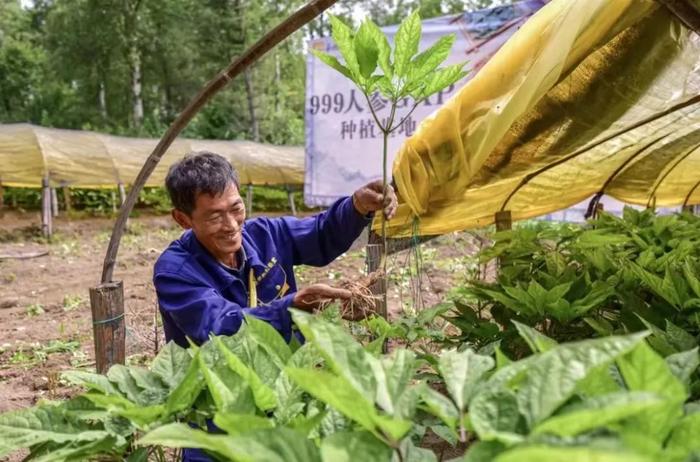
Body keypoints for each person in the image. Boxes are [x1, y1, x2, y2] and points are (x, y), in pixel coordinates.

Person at [154, 151, 397, 348]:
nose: (231, 225)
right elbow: (219, 328)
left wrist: (357, 206)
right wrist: (291, 308)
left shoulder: (265, 235)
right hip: (216, 387)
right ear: (183, 219)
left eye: (236, 208)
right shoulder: (175, 272)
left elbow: (321, 233)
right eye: (214, 216)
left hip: (286, 372)